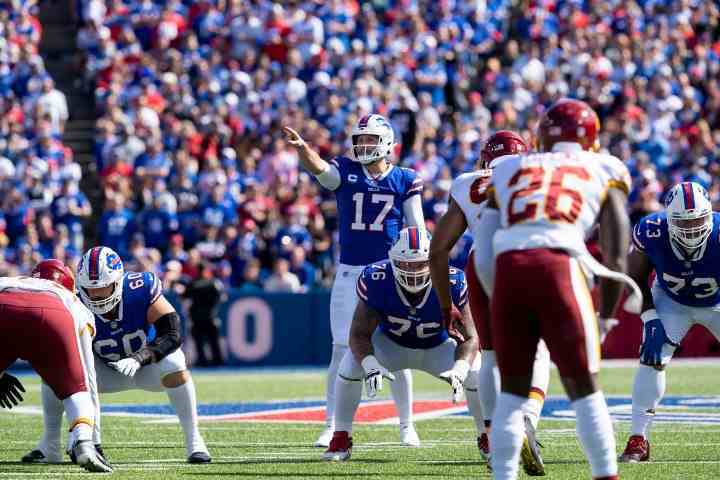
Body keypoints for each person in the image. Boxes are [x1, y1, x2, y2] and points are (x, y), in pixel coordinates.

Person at [484, 98, 640, 480]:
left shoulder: (509, 169)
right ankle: (605, 474)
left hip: (508, 268)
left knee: (512, 392)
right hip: (559, 263)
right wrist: (606, 314)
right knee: (585, 386)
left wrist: (498, 293)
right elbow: (616, 246)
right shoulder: (603, 166)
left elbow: (484, 247)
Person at [284, 114, 424, 448]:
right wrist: (303, 149)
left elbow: (416, 227)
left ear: (387, 143)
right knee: (340, 350)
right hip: (350, 272)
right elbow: (321, 170)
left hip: (391, 274)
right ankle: (331, 424)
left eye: (370, 140)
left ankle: (407, 425)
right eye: (359, 140)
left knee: (398, 350)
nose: (363, 146)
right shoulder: (347, 171)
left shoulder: (404, 178)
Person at [429, 130, 549, 475]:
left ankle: (500, 442)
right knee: (538, 348)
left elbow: (437, 251)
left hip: (482, 265)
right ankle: (527, 416)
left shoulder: (468, 183)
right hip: (530, 257)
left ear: (485, 160)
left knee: (492, 356)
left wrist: (445, 304)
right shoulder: (541, 173)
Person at [23, 246, 211, 464]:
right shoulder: (74, 300)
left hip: (144, 366)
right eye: (90, 289)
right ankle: (50, 445)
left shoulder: (140, 288)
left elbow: (172, 333)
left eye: (102, 287)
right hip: (101, 372)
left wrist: (141, 357)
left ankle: (194, 441)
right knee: (54, 370)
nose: (95, 295)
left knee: (174, 362)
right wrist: (94, 440)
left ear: (118, 281)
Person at [322, 227, 483, 461]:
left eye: (419, 263)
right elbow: (358, 334)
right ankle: (340, 438)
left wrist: (460, 368)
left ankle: (486, 437)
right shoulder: (376, 278)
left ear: (432, 260)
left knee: (476, 371)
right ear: (392, 260)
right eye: (405, 263)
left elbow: (470, 337)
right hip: (391, 345)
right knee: (349, 366)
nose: (412, 270)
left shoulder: (453, 280)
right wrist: (370, 364)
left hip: (438, 348)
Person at [620, 182, 720, 462]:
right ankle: (638, 437)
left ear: (710, 215)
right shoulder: (651, 230)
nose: (691, 229)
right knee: (651, 357)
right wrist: (650, 318)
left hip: (718, 301)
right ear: (668, 219)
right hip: (671, 300)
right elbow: (634, 279)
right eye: (683, 222)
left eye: (698, 220)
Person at [4, 260, 111, 472]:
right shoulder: (72, 300)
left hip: (2, 305)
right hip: (52, 313)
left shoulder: (9, 280)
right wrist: (92, 436)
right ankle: (83, 444)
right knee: (77, 391)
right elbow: (88, 375)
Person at [184, 261, 225, 366]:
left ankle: (202, 361)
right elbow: (222, 297)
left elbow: (184, 296)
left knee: (199, 342)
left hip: (196, 317)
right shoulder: (214, 283)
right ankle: (217, 361)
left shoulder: (192, 283)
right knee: (213, 342)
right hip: (210, 316)